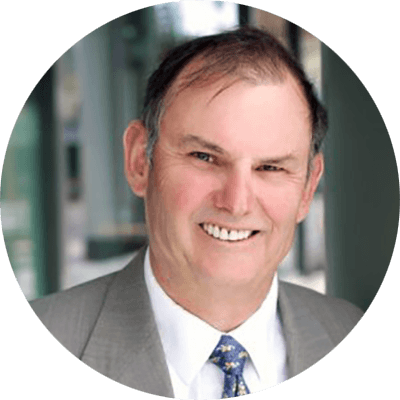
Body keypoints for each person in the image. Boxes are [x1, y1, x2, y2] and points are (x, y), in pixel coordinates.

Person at [30, 27, 363, 398]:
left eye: (271, 167)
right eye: (204, 157)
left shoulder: (353, 337)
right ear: (140, 161)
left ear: (308, 187)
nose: (236, 202)